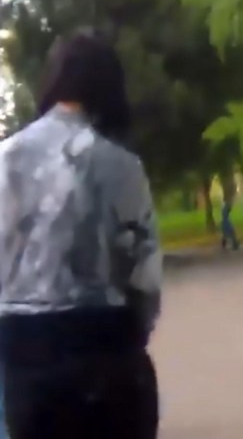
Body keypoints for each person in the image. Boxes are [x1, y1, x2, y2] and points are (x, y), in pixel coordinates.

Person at [0, 30, 162, 439]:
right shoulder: (122, 166)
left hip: (25, 366)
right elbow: (144, 276)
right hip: (106, 360)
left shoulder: (4, 161)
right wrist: (134, 331)